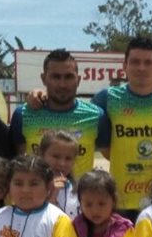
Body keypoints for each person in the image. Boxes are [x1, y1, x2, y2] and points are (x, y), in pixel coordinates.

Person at [94, 37, 152, 217]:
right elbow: (72, 114)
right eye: (135, 62)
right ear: (124, 66)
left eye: (148, 62)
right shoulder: (107, 98)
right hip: (120, 200)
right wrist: (40, 98)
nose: (141, 68)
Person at [11, 49, 102, 179]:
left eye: (68, 77)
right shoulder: (23, 114)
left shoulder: (95, 116)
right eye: (55, 77)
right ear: (43, 79)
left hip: (79, 197)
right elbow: (17, 160)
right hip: (38, 198)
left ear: (79, 80)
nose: (62, 84)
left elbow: (111, 152)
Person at [39, 130, 81, 218]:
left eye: (68, 158)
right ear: (42, 155)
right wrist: (51, 197)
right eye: (56, 156)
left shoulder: (80, 191)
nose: (62, 163)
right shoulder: (30, 188)